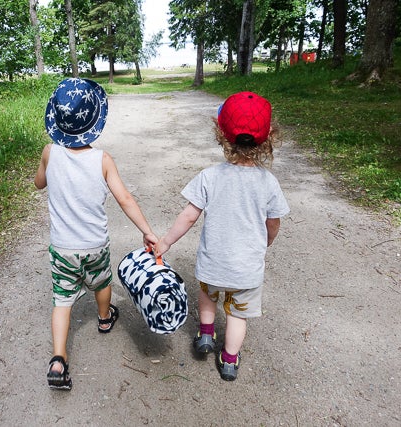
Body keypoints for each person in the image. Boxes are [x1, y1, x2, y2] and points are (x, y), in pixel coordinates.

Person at [155, 91, 290, 381]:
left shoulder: (210, 176)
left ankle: (206, 334)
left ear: (221, 134)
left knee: (208, 295)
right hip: (246, 270)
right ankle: (229, 360)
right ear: (268, 138)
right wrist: (266, 241)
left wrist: (165, 242)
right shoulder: (268, 182)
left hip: (212, 263)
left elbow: (188, 216)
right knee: (237, 315)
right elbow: (273, 223)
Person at [35, 77, 158, 390]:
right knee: (102, 282)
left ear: (56, 120)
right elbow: (125, 198)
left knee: (62, 300)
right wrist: (147, 231)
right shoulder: (102, 160)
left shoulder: (49, 152)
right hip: (94, 245)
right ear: (94, 121)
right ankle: (104, 318)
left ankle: (58, 359)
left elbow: (39, 183)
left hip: (62, 247)